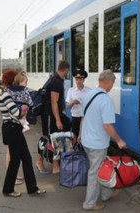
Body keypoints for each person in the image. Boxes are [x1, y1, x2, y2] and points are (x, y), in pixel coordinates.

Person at [80, 69, 127, 211]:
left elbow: (84, 117)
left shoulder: (88, 94)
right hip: (97, 143)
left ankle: (106, 194)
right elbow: (107, 126)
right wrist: (119, 140)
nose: (112, 86)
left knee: (99, 168)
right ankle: (90, 203)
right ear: (109, 82)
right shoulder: (105, 100)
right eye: (112, 83)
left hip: (86, 140)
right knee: (94, 172)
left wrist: (80, 133)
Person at [0, 69, 46, 197]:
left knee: (16, 160)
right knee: (25, 158)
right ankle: (30, 188)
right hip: (12, 128)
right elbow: (15, 112)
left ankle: (10, 189)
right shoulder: (6, 95)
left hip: (12, 129)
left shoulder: (6, 93)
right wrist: (24, 110)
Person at [37, 60, 70, 174]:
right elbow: (54, 101)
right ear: (66, 70)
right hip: (50, 115)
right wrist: (58, 120)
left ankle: (48, 163)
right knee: (52, 139)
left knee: (51, 138)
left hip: (50, 114)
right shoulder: (56, 82)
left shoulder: (54, 78)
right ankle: (50, 165)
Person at [65, 69, 91, 138]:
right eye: (77, 79)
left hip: (85, 117)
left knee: (85, 136)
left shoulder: (89, 91)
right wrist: (73, 102)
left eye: (80, 79)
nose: (78, 81)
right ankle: (76, 148)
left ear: (83, 80)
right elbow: (67, 106)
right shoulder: (71, 90)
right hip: (75, 117)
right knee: (75, 136)